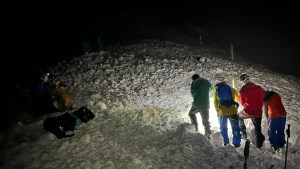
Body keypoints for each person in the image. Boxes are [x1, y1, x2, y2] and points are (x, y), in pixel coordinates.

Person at [238, 73, 265, 149]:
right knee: (257, 129)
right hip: (258, 112)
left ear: (243, 81)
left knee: (238, 117)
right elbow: (262, 99)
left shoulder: (243, 90)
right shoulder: (259, 88)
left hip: (248, 111)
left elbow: (243, 103)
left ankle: (243, 135)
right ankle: (259, 146)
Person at [213, 81, 241, 147]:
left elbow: (215, 101)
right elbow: (238, 99)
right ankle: (236, 143)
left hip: (222, 112)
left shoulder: (217, 90)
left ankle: (226, 141)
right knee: (235, 128)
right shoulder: (232, 89)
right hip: (232, 112)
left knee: (223, 127)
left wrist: (218, 110)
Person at [188, 74, 212, 139]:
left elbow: (192, 93)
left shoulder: (193, 83)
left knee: (191, 113)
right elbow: (211, 88)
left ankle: (195, 129)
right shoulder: (205, 81)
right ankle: (208, 134)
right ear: (199, 76)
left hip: (197, 104)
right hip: (206, 104)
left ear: (193, 79)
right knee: (206, 120)